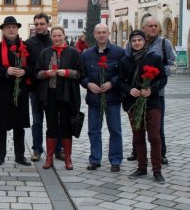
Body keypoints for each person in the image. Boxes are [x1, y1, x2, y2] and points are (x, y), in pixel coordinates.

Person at [119, 30, 167, 184]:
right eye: (134, 40)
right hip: (133, 103)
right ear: (130, 43)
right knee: (138, 136)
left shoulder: (154, 58)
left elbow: (163, 78)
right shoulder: (125, 60)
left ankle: (157, 170)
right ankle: (141, 167)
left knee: (154, 137)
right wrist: (129, 89)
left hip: (151, 102)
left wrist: (151, 90)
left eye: (139, 40)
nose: (137, 43)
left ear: (144, 42)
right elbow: (120, 81)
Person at [126, 16, 175, 165]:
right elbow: (127, 61)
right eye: (150, 25)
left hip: (156, 92)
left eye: (156, 25)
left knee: (157, 125)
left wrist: (156, 74)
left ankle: (160, 154)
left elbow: (173, 64)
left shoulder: (164, 44)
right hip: (136, 92)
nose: (153, 28)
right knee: (137, 124)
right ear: (144, 28)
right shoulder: (135, 42)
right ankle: (137, 151)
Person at [35, 25, 84, 170]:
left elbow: (81, 73)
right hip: (49, 95)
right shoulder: (45, 53)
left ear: (64, 36)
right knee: (51, 126)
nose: (57, 38)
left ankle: (68, 158)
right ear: (51, 37)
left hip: (67, 95)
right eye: (54, 36)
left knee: (66, 126)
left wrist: (67, 73)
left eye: (59, 35)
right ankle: (49, 157)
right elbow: (37, 73)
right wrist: (45, 73)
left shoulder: (74, 53)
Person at [81, 23, 124, 172]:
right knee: (93, 130)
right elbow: (82, 75)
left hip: (112, 98)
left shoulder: (119, 52)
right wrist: (88, 84)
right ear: (94, 34)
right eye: (98, 32)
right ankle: (95, 159)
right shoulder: (86, 54)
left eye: (104, 32)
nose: (101, 35)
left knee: (115, 130)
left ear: (108, 33)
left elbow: (124, 74)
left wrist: (112, 83)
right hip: (94, 98)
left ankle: (115, 160)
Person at [0, 16, 31, 167]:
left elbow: (33, 67)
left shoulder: (26, 47)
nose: (11, 29)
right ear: (3, 30)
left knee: (19, 125)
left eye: (14, 27)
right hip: (2, 91)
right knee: (1, 124)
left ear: (18, 29)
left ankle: (20, 155)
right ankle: (0, 155)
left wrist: (24, 71)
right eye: (8, 27)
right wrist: (6, 70)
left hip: (21, 91)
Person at [26, 13, 64, 162]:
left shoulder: (54, 40)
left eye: (42, 24)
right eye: (36, 24)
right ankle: (37, 149)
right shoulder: (29, 43)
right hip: (36, 88)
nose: (39, 27)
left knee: (55, 120)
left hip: (54, 88)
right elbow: (26, 65)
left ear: (48, 24)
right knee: (37, 121)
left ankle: (58, 149)